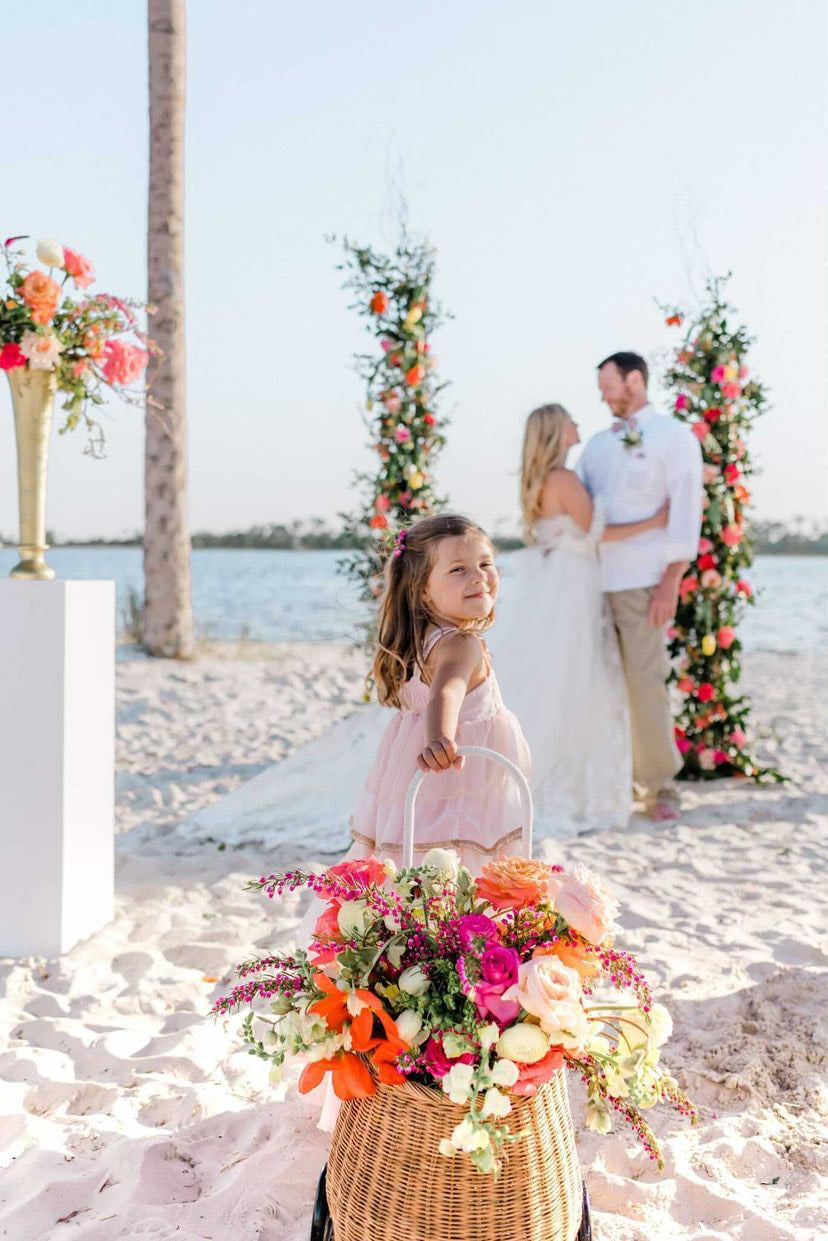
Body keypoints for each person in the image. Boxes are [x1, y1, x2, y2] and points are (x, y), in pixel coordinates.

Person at [491, 403, 669, 835]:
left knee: (557, 673)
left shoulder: (539, 479)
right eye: (570, 421)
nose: (577, 425)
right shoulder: (564, 479)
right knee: (578, 675)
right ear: (557, 431)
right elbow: (597, 533)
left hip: (556, 581)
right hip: (574, 584)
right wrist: (654, 521)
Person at [349, 512, 531, 872]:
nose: (479, 576)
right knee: (464, 855)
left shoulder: (421, 639)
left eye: (485, 563)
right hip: (458, 774)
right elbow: (446, 692)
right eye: (458, 569)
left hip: (415, 778)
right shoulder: (462, 644)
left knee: (418, 856)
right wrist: (440, 737)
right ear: (422, 591)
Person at [577, 351, 703, 821]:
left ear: (635, 380)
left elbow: (686, 509)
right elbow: (582, 513)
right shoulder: (595, 445)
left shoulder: (675, 437)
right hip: (590, 580)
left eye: (608, 385)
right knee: (598, 681)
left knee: (645, 683)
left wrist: (671, 579)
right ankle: (612, 775)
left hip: (643, 580)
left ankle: (660, 786)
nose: (603, 395)